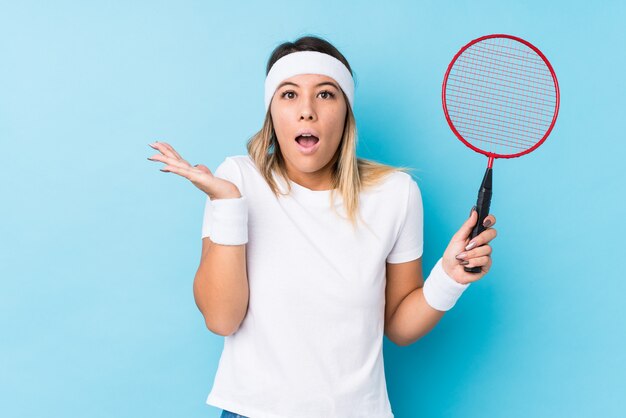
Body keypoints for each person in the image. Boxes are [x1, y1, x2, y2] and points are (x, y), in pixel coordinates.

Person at [147, 35, 497, 418]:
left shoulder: (396, 194)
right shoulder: (237, 180)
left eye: (326, 94)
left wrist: (450, 277)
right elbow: (221, 318)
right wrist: (228, 204)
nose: (307, 111)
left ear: (346, 112)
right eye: (289, 94)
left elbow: (398, 324)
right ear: (271, 112)